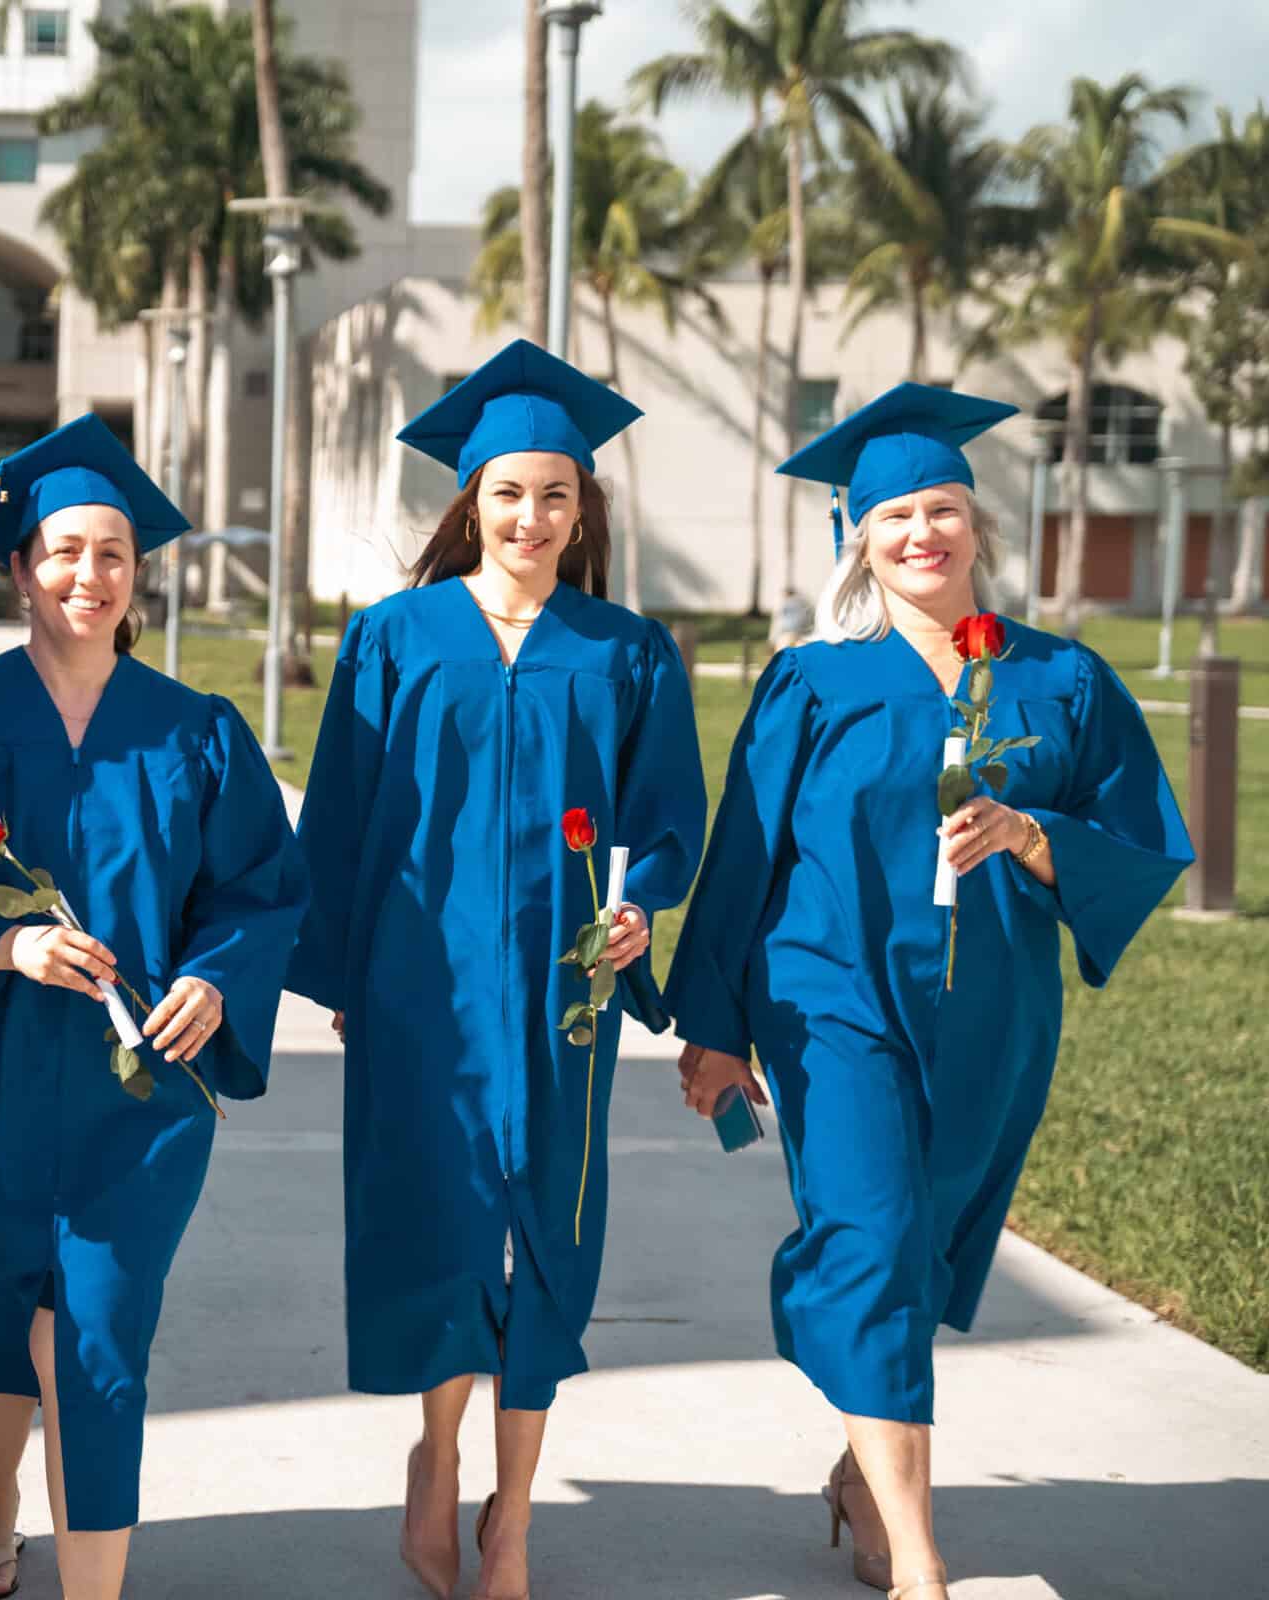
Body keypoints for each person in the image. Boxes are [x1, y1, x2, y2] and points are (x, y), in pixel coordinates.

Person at [665, 383, 1194, 1600]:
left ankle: (862, 1477)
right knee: (875, 1239)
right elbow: (744, 857)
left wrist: (1031, 833)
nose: (922, 533)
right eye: (895, 515)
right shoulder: (812, 683)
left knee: (918, 1252)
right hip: (831, 1002)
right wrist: (715, 1029)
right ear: (859, 538)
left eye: (942, 509)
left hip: (993, 1015)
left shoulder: (1061, 680)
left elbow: (1138, 840)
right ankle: (919, 1561)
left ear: (977, 525)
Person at [286, 340, 706, 1600]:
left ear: (583, 509)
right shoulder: (393, 639)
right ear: (471, 501)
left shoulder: (626, 650)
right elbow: (340, 819)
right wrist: (344, 977)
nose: (532, 517)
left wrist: (637, 908)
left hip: (568, 992)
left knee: (551, 1233)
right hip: (422, 988)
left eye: (555, 495)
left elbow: (666, 818)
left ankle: (512, 1518)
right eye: (510, 493)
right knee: (442, 1223)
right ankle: (438, 1453)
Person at [0, 415, 309, 1600]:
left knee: (102, 1338)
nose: (89, 574)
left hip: (141, 1092)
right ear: (19, 567)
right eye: (63, 550)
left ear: (136, 573)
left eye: (112, 552)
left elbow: (261, 889)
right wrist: (5, 943)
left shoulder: (196, 731)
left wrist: (216, 976)